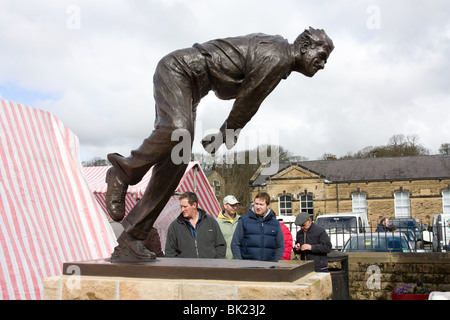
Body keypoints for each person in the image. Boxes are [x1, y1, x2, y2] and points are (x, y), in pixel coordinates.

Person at [106, 28, 334, 261]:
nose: (323, 64)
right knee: (178, 131)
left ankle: (132, 236)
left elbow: (246, 91)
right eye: (322, 55)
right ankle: (124, 171)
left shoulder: (277, 50)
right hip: (178, 69)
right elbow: (249, 99)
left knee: (176, 161)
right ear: (305, 47)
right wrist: (224, 134)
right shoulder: (278, 56)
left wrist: (224, 133)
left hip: (191, 86)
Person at [165, 192, 226, 258]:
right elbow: (170, 252)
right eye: (181, 206)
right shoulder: (175, 226)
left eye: (185, 206)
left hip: (209, 267)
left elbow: (221, 245)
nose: (182, 210)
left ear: (194, 205)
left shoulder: (210, 221)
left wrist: (215, 264)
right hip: (185, 267)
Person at [231, 192, 284, 261]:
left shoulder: (275, 223)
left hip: (269, 267)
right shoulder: (244, 220)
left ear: (268, 206)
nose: (258, 207)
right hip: (248, 267)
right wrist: (240, 262)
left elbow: (281, 246)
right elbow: (235, 243)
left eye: (261, 204)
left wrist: (276, 262)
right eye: (256, 204)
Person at [216, 195, 241, 259]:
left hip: (239, 260)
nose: (234, 207)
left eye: (236, 205)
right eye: (232, 205)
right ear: (225, 206)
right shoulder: (217, 222)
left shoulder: (241, 220)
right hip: (223, 261)